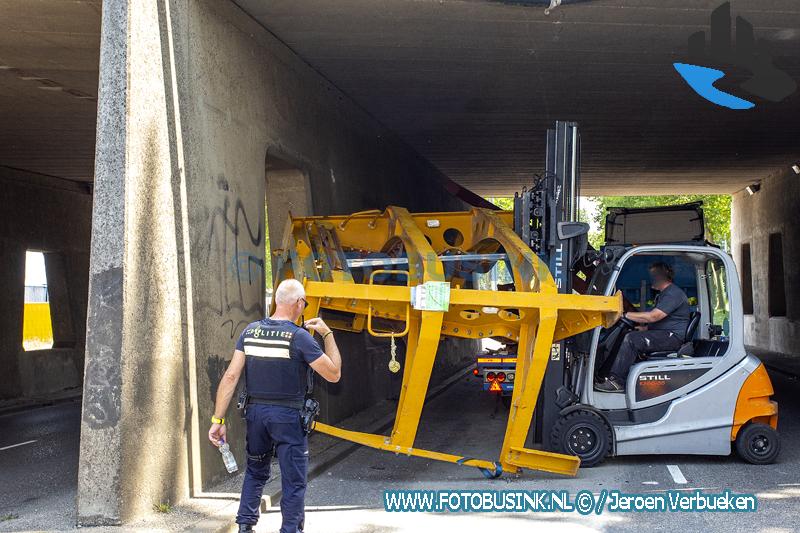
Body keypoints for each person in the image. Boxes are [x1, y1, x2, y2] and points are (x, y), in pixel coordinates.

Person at [208, 278, 342, 533]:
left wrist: (218, 420)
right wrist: (327, 334)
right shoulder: (299, 337)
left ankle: (245, 526)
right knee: (293, 480)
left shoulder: (250, 332)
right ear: (299, 303)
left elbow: (231, 376)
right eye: (305, 303)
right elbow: (334, 374)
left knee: (255, 471)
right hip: (288, 418)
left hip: (256, 416)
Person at [596, 262, 690, 392]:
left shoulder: (673, 294)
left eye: (653, 275)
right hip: (665, 334)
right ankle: (608, 374)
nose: (651, 279)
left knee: (631, 339)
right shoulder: (664, 294)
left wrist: (624, 315)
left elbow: (653, 316)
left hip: (672, 337)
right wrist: (644, 329)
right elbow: (663, 321)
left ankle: (617, 382)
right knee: (629, 333)